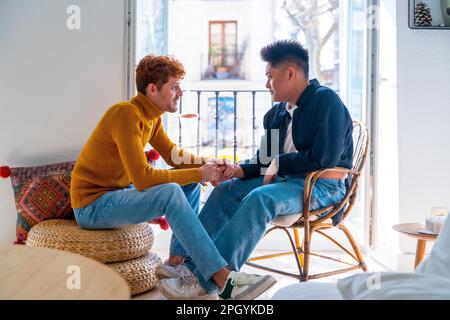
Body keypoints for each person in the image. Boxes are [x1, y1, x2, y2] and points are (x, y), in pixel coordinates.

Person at [158, 40, 354, 299]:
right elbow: (265, 160)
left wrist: (279, 164)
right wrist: (235, 170)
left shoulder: (325, 101)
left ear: (291, 74)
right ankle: (188, 264)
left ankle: (207, 281)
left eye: (270, 77)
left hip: (322, 186)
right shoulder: (275, 115)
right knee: (225, 191)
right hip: (284, 181)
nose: (266, 84)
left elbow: (324, 158)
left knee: (260, 198)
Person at [70, 55, 276, 300]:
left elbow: (174, 156)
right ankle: (224, 279)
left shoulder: (151, 117)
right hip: (92, 206)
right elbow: (142, 178)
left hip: (115, 196)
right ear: (152, 89)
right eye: (174, 87)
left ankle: (176, 262)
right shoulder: (126, 114)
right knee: (172, 190)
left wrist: (210, 163)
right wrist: (200, 173)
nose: (180, 93)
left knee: (187, 182)